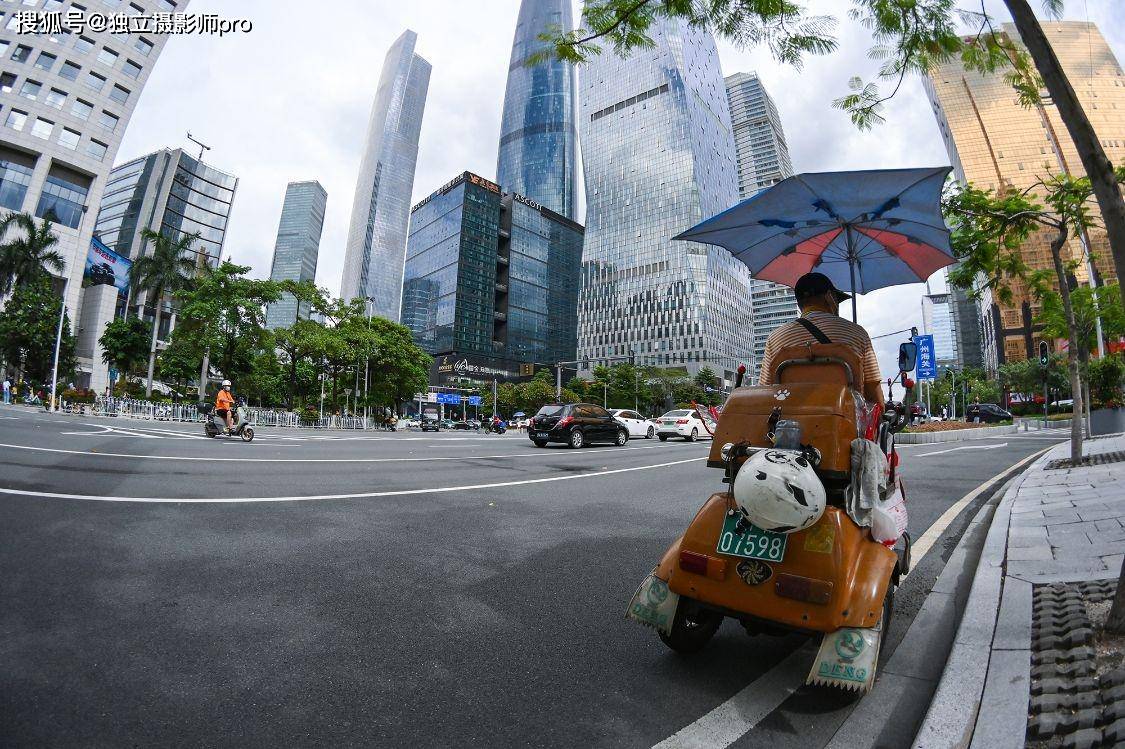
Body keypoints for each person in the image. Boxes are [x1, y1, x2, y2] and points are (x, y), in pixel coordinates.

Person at [757, 272, 884, 407]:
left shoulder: (775, 338)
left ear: (800, 303)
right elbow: (874, 395)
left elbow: (765, 391)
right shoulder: (857, 333)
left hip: (791, 423)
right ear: (830, 297)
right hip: (845, 423)